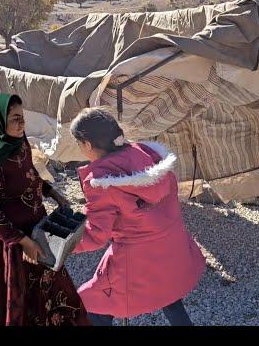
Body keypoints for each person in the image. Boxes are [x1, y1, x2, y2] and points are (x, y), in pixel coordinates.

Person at [70, 108, 206, 326]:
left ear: (86, 144)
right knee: (167, 291)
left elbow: (96, 235)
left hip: (136, 258)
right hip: (171, 246)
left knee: (93, 302)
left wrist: (60, 246)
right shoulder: (146, 153)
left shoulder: (101, 180)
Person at [0, 94, 89, 325]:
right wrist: (24, 242)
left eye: (22, 117)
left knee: (55, 292)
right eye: (15, 118)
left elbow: (29, 174)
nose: (22, 123)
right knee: (18, 299)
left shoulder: (19, 143)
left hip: (38, 228)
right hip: (12, 242)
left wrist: (52, 192)